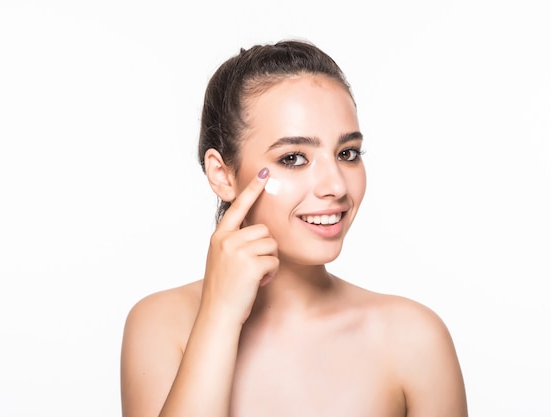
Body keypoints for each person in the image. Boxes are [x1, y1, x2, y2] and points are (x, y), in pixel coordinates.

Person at [120, 39, 468, 417]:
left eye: (347, 153)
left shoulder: (413, 339)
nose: (335, 185)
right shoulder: (162, 325)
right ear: (222, 174)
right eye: (293, 158)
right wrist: (219, 316)